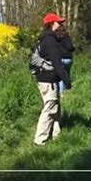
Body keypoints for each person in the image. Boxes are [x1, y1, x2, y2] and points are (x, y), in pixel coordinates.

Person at [33, 13, 72, 146]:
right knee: (49, 108)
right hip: (48, 79)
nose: (60, 24)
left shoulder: (43, 38)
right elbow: (56, 61)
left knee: (55, 106)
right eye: (58, 22)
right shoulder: (50, 40)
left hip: (42, 77)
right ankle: (40, 139)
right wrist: (66, 79)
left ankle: (56, 133)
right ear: (51, 24)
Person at [55, 25, 75, 94]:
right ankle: (67, 90)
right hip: (68, 59)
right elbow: (70, 47)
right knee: (67, 74)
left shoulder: (54, 38)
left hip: (59, 59)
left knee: (60, 76)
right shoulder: (66, 36)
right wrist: (73, 48)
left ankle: (61, 93)